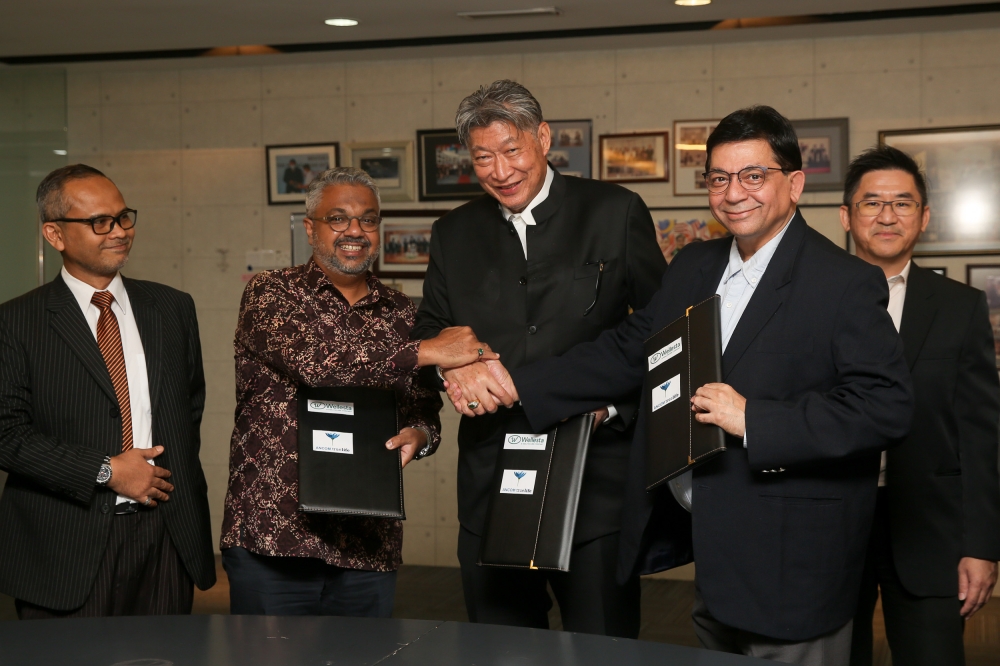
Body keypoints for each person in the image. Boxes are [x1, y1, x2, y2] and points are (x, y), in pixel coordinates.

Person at [460, 106, 915, 665]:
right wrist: (512, 382)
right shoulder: (695, 265)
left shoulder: (844, 283)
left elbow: (885, 407)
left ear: (794, 184)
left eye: (753, 175)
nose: (733, 192)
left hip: (794, 561)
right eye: (719, 178)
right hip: (714, 550)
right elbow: (630, 348)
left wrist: (754, 419)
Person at [412, 80, 667, 637]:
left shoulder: (615, 211)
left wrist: (618, 409)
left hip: (595, 481)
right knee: (500, 646)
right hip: (492, 483)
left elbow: (662, 331)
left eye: (512, 151)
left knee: (603, 645)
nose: (500, 171)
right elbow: (429, 330)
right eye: (483, 157)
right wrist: (456, 364)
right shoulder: (453, 232)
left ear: (543, 138)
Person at [220, 167, 491, 617]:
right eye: (338, 218)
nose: (355, 231)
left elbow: (425, 407)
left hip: (367, 539)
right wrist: (427, 350)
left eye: (368, 220)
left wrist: (421, 436)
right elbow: (321, 367)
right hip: (275, 536)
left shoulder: (404, 313)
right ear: (311, 229)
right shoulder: (272, 293)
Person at [0, 164, 216, 618]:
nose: (118, 231)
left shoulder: (173, 307)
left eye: (123, 217)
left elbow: (187, 413)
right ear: (54, 235)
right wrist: (106, 471)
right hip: (64, 546)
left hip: (165, 540)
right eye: (100, 222)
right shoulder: (16, 322)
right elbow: (7, 436)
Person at [840, 147, 1000, 666]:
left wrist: (982, 545)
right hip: (831, 523)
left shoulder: (960, 307)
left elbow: (981, 435)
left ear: (924, 218)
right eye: (872, 203)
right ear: (847, 216)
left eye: (903, 203)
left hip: (930, 531)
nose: (888, 216)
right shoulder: (812, 300)